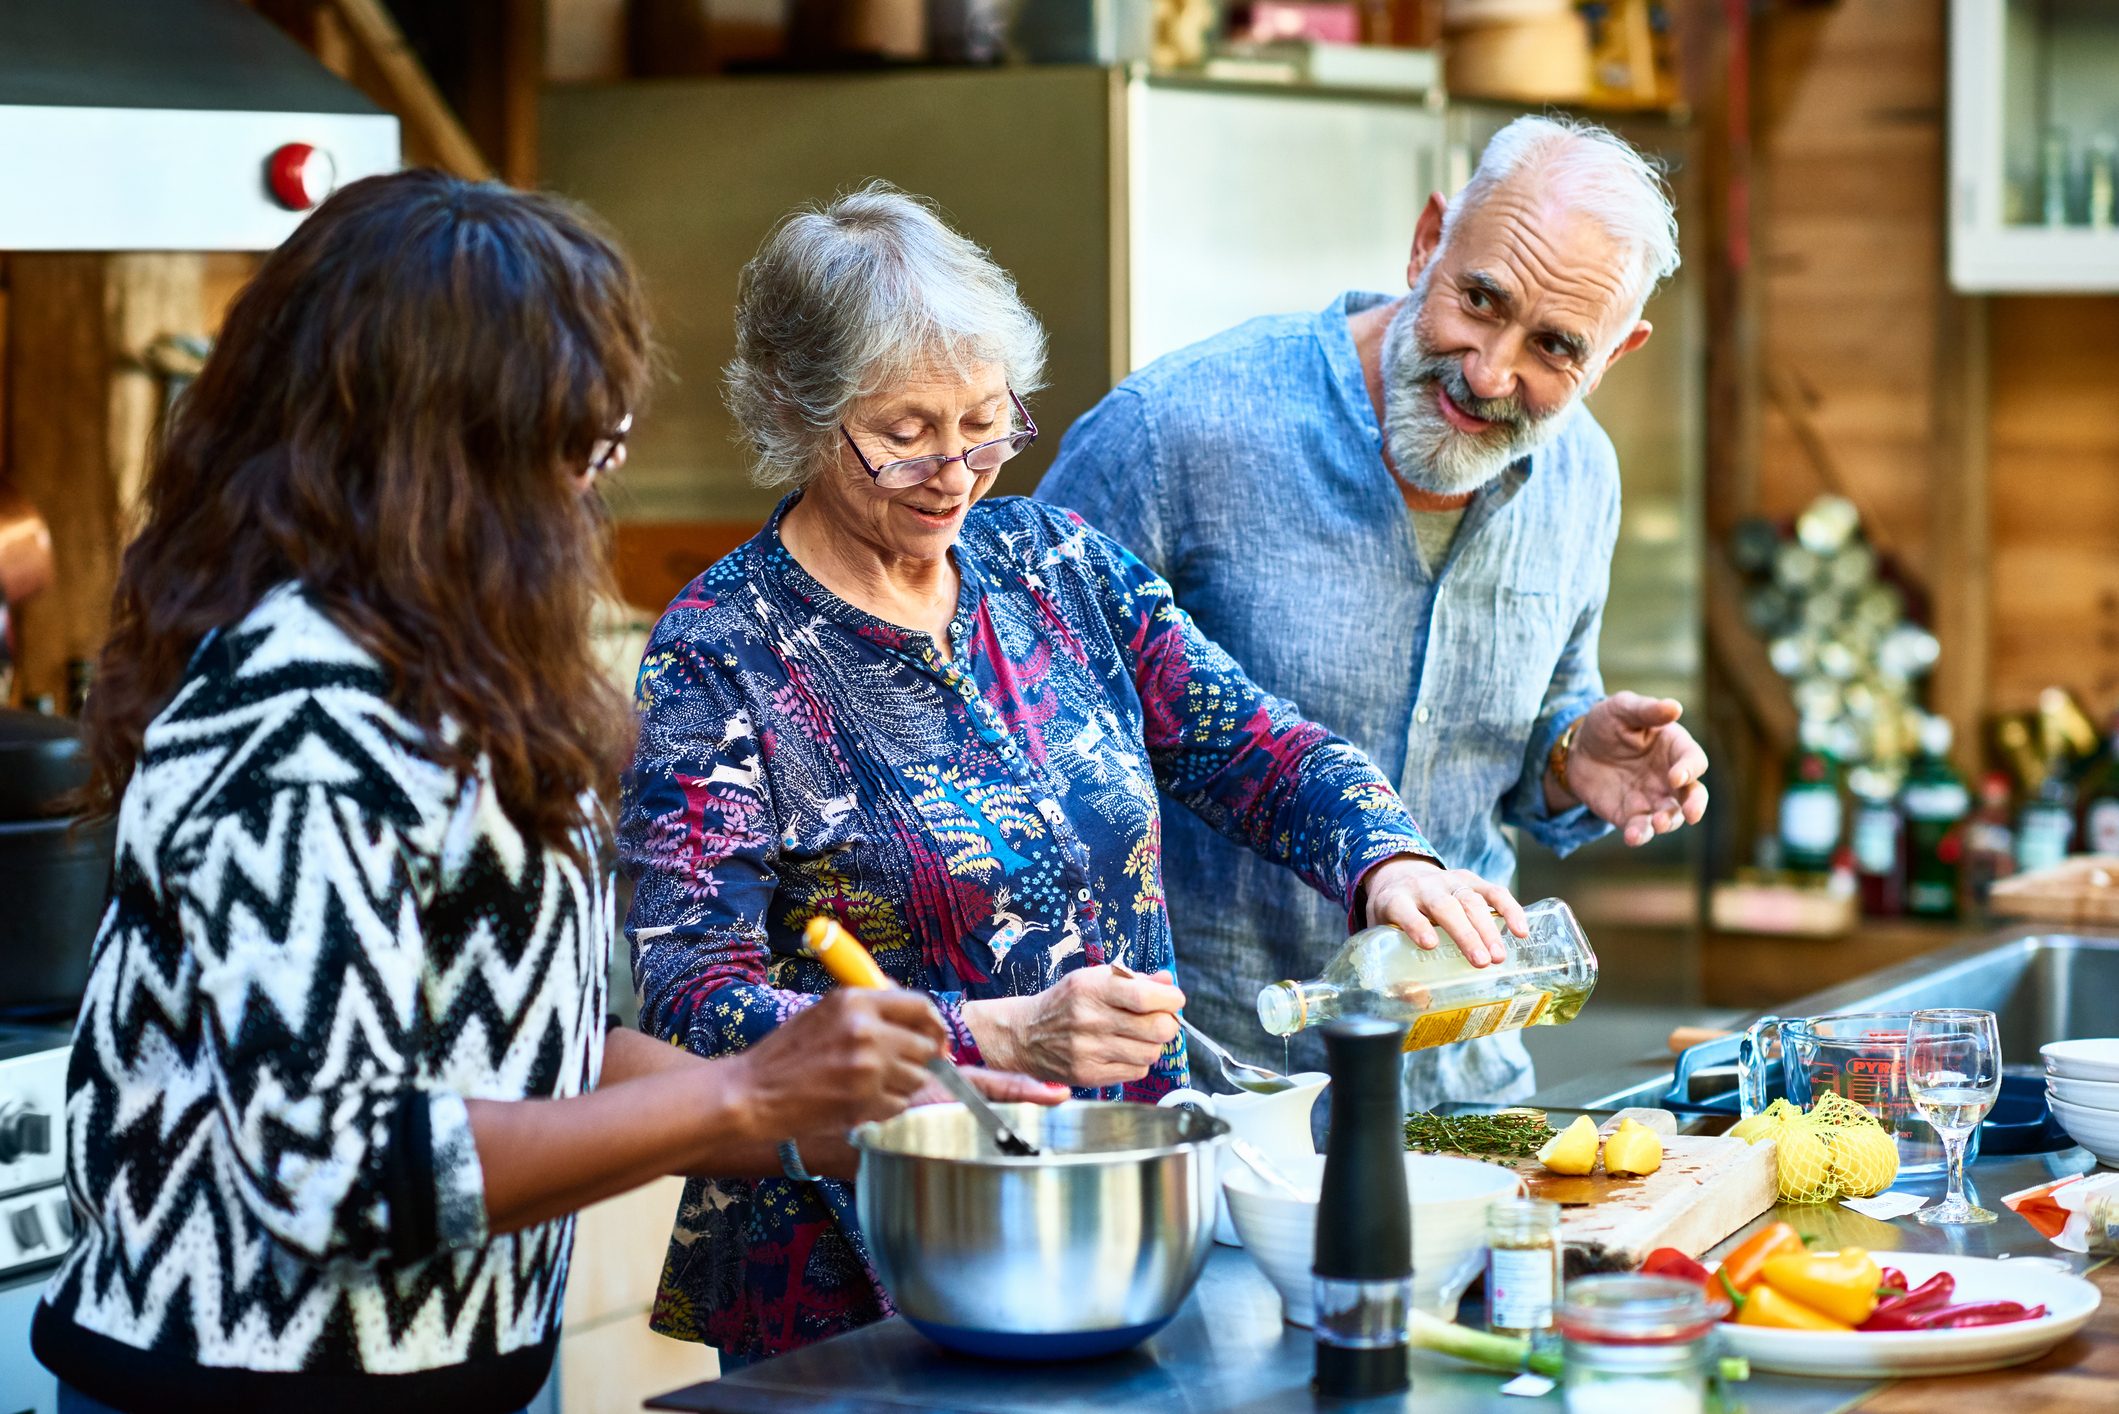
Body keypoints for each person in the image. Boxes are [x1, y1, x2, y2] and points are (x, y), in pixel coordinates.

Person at [31, 170, 1047, 1414]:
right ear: (441, 449)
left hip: (477, 1369)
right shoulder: (298, 713)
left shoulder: (454, 668)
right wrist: (746, 1093)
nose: (589, 484)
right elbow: (341, 1173)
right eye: (576, 441)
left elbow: (529, 1055)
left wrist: (827, 1111)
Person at [619, 181, 1527, 1364]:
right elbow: (692, 1003)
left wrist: (1382, 854)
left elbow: (1253, 745)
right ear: (798, 413)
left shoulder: (1050, 563)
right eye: (904, 435)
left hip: (1118, 1219)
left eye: (985, 424)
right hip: (865, 1264)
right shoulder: (722, 647)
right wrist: (991, 1035)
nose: (955, 471)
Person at [1037, 115, 1711, 1110]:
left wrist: (1571, 756)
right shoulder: (1175, 430)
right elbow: (1016, 729)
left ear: (1614, 355)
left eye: (1554, 346)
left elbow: (1530, 724)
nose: (1488, 372)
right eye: (1478, 299)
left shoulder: (1584, 477)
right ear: (1425, 240)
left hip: (1461, 1091)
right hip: (1215, 1092)